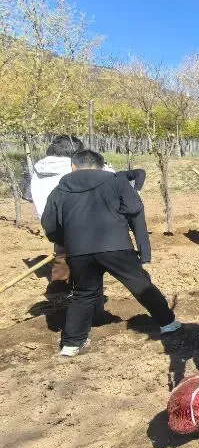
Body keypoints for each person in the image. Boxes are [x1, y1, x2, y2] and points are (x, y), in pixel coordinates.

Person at [40, 150, 181, 357]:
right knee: (140, 284)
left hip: (79, 251)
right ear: (101, 165)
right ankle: (168, 323)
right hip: (116, 245)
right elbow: (134, 208)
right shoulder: (116, 181)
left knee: (83, 293)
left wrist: (65, 242)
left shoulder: (60, 189)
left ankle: (72, 343)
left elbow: (49, 224)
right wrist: (143, 248)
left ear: (73, 166)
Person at [31, 135, 146, 296]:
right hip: (91, 225)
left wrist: (56, 235)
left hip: (56, 222)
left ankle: (61, 293)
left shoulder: (39, 169)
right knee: (96, 266)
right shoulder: (75, 169)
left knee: (64, 259)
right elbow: (106, 181)